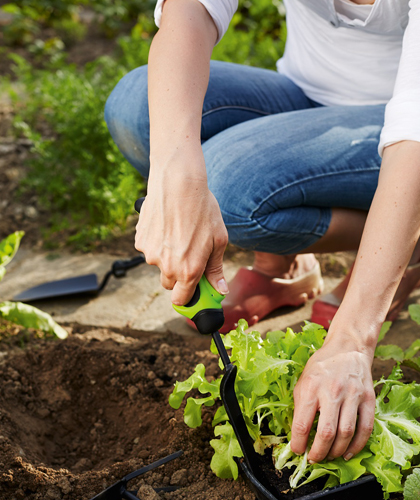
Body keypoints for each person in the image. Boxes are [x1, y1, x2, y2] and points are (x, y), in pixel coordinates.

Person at [105, 0, 420, 466]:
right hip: (307, 98)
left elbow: (413, 135)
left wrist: (352, 340)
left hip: (405, 136)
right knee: (138, 107)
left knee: (230, 189)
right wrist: (177, 183)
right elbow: (189, 10)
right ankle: (286, 263)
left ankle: (405, 239)